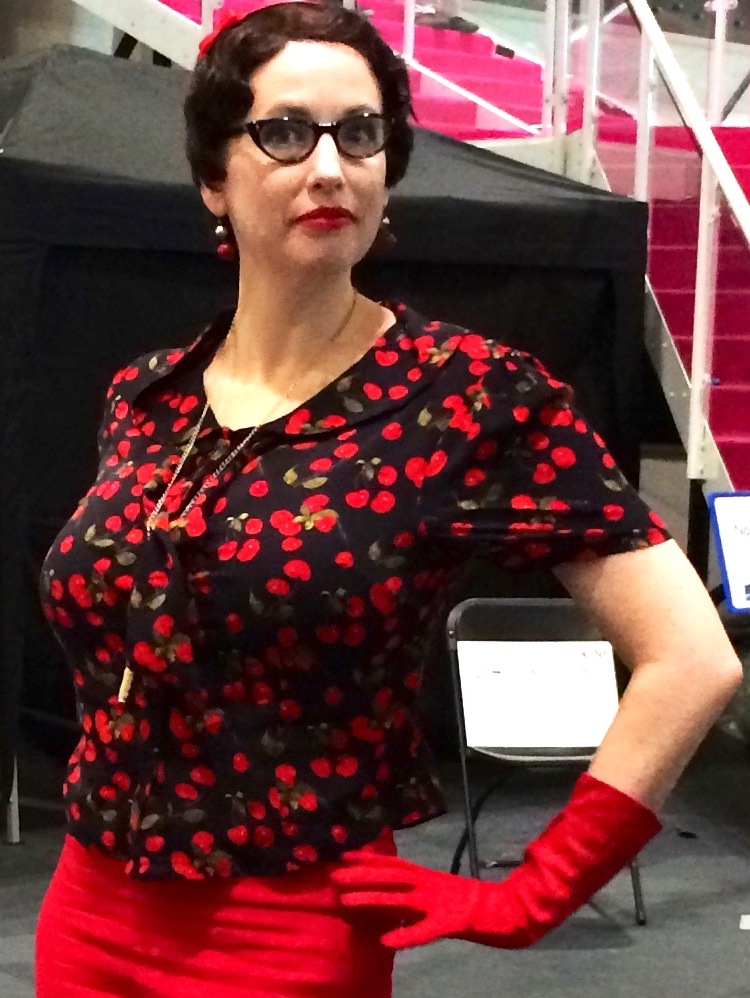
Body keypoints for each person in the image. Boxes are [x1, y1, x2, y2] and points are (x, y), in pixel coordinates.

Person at [34, 2, 742, 996]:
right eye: (286, 132)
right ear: (213, 177)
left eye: (360, 134)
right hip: (89, 910)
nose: (330, 166)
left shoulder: (468, 396)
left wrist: (539, 888)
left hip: (288, 936)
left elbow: (693, 656)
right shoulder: (147, 396)